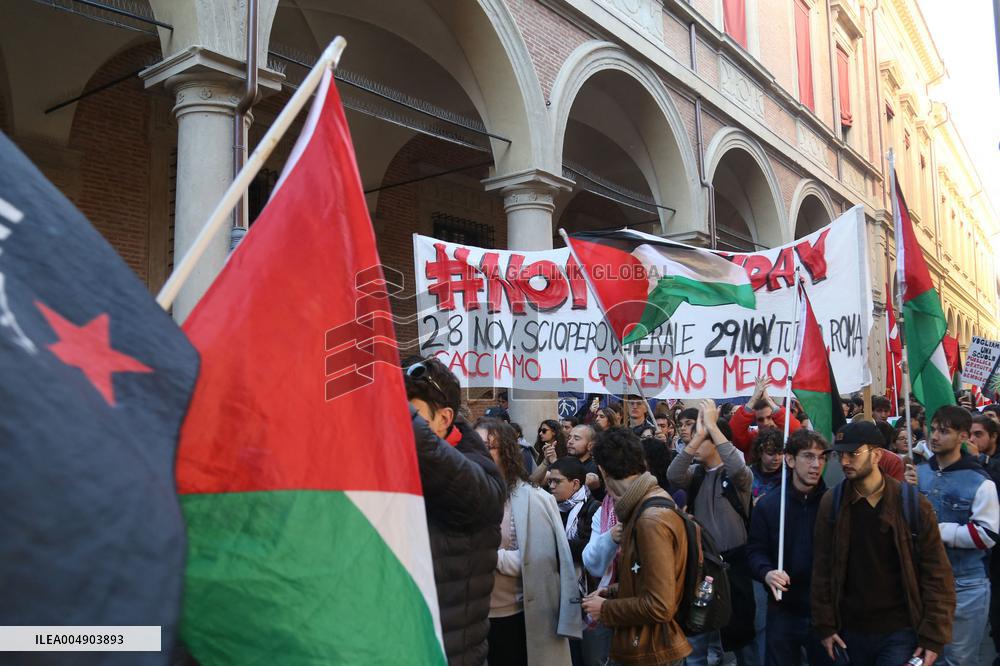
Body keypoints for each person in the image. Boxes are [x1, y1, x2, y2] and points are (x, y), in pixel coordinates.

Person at [812, 421, 955, 666]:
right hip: (850, 632)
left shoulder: (911, 504)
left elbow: (937, 573)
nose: (845, 461)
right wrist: (825, 625)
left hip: (900, 631)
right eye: (840, 454)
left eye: (853, 453)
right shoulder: (832, 503)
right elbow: (822, 569)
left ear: (877, 455)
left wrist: (933, 636)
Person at [405, 358, 507, 665]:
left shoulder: (481, 479)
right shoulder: (398, 467)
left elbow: (443, 464)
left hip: (449, 655)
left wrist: (386, 402)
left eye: (413, 413)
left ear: (444, 418)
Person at [474, 417, 582, 665]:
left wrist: (488, 556)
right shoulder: (462, 494)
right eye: (476, 445)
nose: (480, 453)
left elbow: (539, 561)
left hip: (518, 619)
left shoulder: (534, 499)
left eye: (489, 447)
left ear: (506, 452)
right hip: (471, 618)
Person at [581, 427, 691, 665]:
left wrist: (606, 609)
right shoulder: (644, 504)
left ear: (603, 471)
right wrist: (612, 592)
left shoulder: (650, 519)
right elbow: (647, 579)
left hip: (652, 650)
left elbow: (660, 605)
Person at [666, 400, 756, 666]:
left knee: (738, 638)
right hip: (704, 568)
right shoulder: (696, 475)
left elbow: (737, 466)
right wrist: (699, 436)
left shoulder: (738, 477)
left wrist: (713, 428)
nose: (693, 443)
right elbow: (673, 474)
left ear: (716, 442)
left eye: (701, 439)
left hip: (735, 567)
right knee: (699, 634)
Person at [914, 405, 999, 665]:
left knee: (958, 661)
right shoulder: (918, 475)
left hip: (965, 585)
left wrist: (936, 530)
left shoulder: (980, 481)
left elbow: (986, 535)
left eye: (944, 431)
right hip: (923, 582)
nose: (935, 436)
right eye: (934, 429)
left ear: (963, 436)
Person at [747, 429, 831, 666]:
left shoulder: (833, 504)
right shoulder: (769, 505)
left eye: (822, 457)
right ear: (790, 460)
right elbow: (754, 551)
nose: (816, 465)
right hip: (783, 609)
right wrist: (767, 572)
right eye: (808, 456)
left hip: (825, 611)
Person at [548, 457, 601, 666]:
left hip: (586, 593)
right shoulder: (549, 507)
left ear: (576, 484)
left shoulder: (593, 508)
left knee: (589, 656)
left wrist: (553, 544)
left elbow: (587, 548)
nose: (551, 486)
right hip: (555, 591)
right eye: (550, 481)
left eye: (557, 481)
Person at [729, 377, 802, 455]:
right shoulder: (751, 440)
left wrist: (768, 399)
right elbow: (734, 432)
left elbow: (797, 433)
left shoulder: (786, 438)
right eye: (760, 420)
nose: (765, 423)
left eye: (769, 417)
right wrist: (753, 399)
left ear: (777, 416)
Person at [567, 424, 605, 501]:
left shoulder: (595, 468)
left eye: (576, 439)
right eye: (569, 437)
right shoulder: (566, 462)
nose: (570, 442)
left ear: (590, 445)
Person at [750, 428, 784, 504]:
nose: (776, 458)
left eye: (780, 452)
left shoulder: (787, 477)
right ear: (760, 452)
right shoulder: (749, 475)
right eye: (770, 453)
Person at [530, 419, 568, 485]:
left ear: (554, 432)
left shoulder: (565, 448)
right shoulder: (538, 447)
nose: (540, 433)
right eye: (540, 431)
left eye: (544, 431)